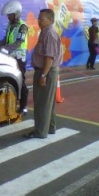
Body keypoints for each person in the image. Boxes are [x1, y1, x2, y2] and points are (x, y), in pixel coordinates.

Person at [24, 8, 62, 139]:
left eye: (42, 18)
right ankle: (50, 127)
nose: (39, 21)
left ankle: (40, 131)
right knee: (48, 102)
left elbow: (49, 57)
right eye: (38, 18)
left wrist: (43, 75)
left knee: (42, 103)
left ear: (50, 20)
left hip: (46, 71)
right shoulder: (45, 32)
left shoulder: (49, 34)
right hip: (47, 71)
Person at [0, 0, 29, 115]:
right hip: (10, 56)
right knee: (10, 80)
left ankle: (23, 106)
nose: (8, 17)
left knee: (21, 81)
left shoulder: (23, 26)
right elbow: (6, 39)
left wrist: (4, 48)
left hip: (19, 57)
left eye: (10, 15)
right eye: (8, 15)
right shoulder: (10, 25)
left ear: (17, 13)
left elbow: (18, 42)